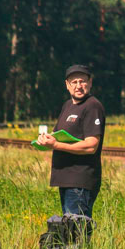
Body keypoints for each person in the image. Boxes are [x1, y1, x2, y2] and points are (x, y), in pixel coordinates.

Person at [36, 64, 105, 218]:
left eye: (82, 81)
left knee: (76, 230)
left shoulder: (92, 106)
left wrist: (56, 145)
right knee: (68, 230)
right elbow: (56, 134)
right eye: (74, 82)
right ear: (67, 85)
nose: (78, 86)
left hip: (80, 180)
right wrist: (46, 139)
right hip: (66, 178)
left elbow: (91, 145)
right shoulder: (68, 106)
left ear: (90, 82)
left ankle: (81, 244)